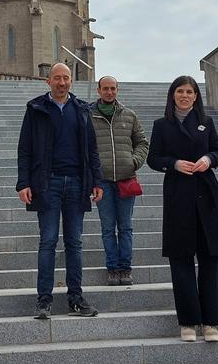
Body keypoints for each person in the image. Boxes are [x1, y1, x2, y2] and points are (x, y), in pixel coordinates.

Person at [17, 62, 103, 319]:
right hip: (48, 183)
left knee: (75, 243)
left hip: (76, 183)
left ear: (71, 82)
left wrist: (97, 181)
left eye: (66, 78)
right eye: (57, 78)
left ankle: (76, 298)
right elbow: (25, 149)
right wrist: (23, 183)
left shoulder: (81, 110)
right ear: (48, 82)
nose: (62, 83)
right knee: (48, 241)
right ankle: (44, 300)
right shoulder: (36, 109)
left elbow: (92, 150)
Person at [147, 75, 218, 343]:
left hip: (206, 195)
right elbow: (153, 158)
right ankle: (188, 321)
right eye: (180, 91)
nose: (185, 96)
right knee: (181, 259)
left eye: (190, 92)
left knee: (211, 259)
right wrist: (173, 164)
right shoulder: (161, 125)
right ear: (173, 95)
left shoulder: (206, 123)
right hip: (178, 197)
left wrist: (208, 159)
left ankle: (211, 322)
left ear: (196, 96)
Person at [89, 75, 149, 286]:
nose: (109, 92)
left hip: (126, 179)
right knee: (107, 227)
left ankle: (125, 268)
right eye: (105, 88)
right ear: (98, 90)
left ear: (117, 90)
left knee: (125, 227)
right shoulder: (89, 115)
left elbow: (142, 142)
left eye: (113, 88)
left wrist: (134, 162)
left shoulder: (129, 115)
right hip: (102, 181)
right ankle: (112, 268)